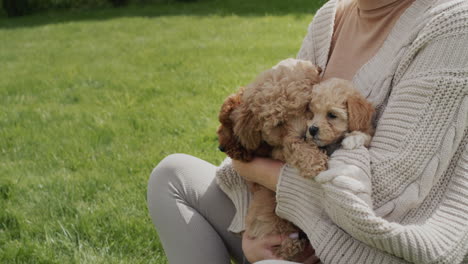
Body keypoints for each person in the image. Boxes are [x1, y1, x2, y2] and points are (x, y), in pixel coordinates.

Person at [147, 0, 468, 263]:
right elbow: (282, 138)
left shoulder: (453, 24)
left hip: (376, 248)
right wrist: (255, 231)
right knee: (172, 175)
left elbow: (386, 200)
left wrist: (253, 168)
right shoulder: (331, 16)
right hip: (296, 224)